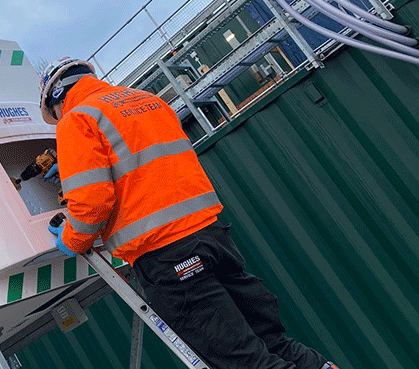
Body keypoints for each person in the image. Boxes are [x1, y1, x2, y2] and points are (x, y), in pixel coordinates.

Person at [40, 57, 338, 369]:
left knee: (248, 363)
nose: (58, 117)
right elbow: (143, 168)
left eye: (54, 112)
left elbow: (92, 203)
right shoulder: (147, 100)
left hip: (166, 256)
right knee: (274, 343)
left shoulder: (76, 120)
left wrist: (72, 239)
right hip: (213, 237)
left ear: (57, 96)